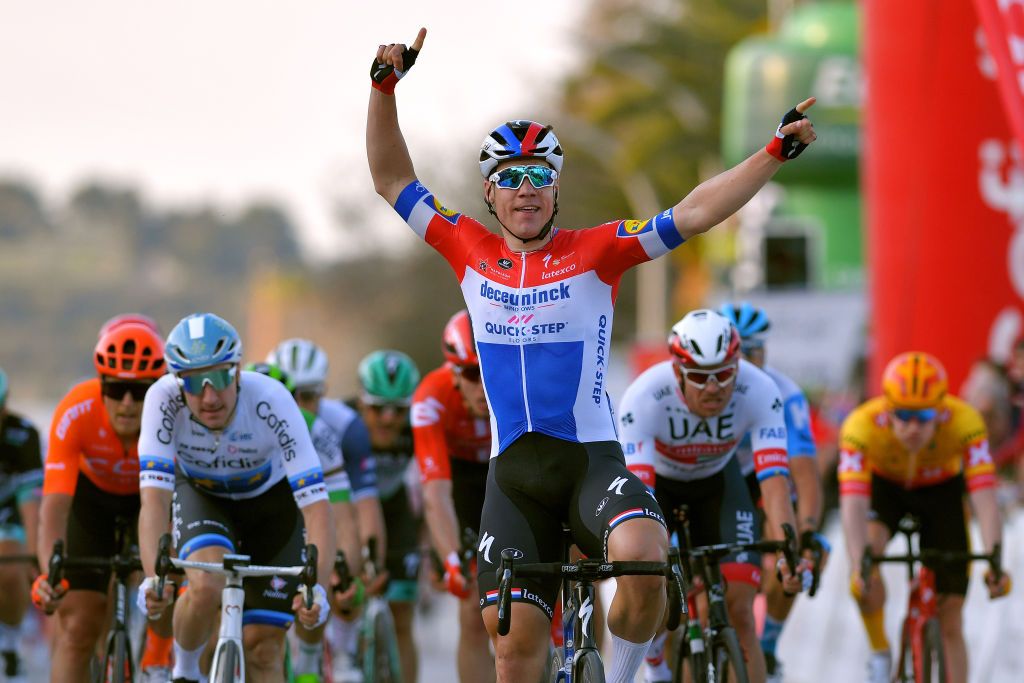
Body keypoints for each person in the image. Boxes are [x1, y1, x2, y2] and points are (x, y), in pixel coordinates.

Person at [366, 27, 817, 683]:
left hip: (589, 463)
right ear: (489, 193)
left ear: (556, 188)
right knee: (514, 652)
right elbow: (391, 177)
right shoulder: (466, 249)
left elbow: (692, 215)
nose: (527, 189)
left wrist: (772, 152)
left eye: (540, 176)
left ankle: (627, 674)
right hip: (515, 478)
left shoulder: (597, 251)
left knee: (644, 553)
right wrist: (383, 88)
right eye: (510, 177)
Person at [134, 313, 336, 683]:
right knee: (204, 587)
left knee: (263, 646)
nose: (209, 396)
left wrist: (317, 589)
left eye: (221, 377)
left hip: (270, 503)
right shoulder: (161, 400)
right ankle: (184, 670)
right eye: (194, 382)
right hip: (203, 496)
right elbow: (154, 501)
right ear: (178, 382)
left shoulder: (272, 399)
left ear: (238, 371)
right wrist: (153, 579)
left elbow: (317, 507)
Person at [618, 310, 802, 683]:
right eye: (700, 378)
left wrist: (788, 551)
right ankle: (656, 663)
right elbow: (641, 492)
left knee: (740, 611)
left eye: (724, 374)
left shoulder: (761, 390)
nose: (714, 387)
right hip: (659, 489)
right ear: (678, 372)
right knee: (651, 583)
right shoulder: (644, 396)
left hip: (719, 483)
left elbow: (775, 483)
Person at [839, 351, 1012, 683]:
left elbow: (984, 497)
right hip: (885, 488)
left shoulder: (966, 421)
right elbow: (853, 504)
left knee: (951, 620)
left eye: (924, 416)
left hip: (940, 490)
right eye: (903, 416)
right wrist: (859, 564)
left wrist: (995, 560)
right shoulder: (860, 425)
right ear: (888, 410)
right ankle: (880, 652)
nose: (913, 427)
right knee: (867, 555)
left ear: (942, 411)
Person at [31, 322, 174, 683]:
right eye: (115, 388)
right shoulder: (75, 410)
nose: (127, 402)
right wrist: (50, 574)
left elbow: (182, 503)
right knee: (78, 625)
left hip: (151, 499)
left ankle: (156, 657)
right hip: (92, 501)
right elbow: (53, 508)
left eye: (139, 391)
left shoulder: (174, 415)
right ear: (101, 386)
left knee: (171, 586)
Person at [718, 301, 827, 682]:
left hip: (764, 478)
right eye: (739, 351)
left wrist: (808, 531)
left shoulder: (785, 392)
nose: (747, 360)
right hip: (711, 475)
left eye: (754, 352)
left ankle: (768, 645)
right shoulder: (708, 379)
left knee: (800, 548)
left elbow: (804, 474)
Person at [266, 338, 385, 683]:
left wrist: (353, 566)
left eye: (309, 396)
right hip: (279, 514)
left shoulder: (341, 428)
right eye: (291, 395)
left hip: (328, 508)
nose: (299, 405)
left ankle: (344, 653)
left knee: (345, 576)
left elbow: (359, 506)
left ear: (324, 392)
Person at [243, 361, 363, 683]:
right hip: (249, 519)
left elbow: (340, 514)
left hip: (298, 518)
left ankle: (309, 659)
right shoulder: (223, 425)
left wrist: (342, 568)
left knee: (314, 588)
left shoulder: (314, 429)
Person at [411, 310, 494, 682]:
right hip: (462, 482)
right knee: (473, 614)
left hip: (507, 471)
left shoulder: (521, 384)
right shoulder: (431, 396)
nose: (483, 388)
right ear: (453, 373)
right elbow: (436, 491)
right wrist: (449, 558)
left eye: (491, 370)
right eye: (472, 375)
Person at [348, 349, 422, 682]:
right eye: (378, 408)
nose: (389, 419)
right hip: (348, 511)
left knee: (402, 616)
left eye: (399, 410)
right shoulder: (343, 424)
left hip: (396, 510)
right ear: (361, 402)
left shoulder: (419, 426)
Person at [0, 368, 43, 682]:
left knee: (10, 566)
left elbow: (30, 501)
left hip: (8, 514)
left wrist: (33, 554)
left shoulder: (23, 435)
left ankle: (10, 643)